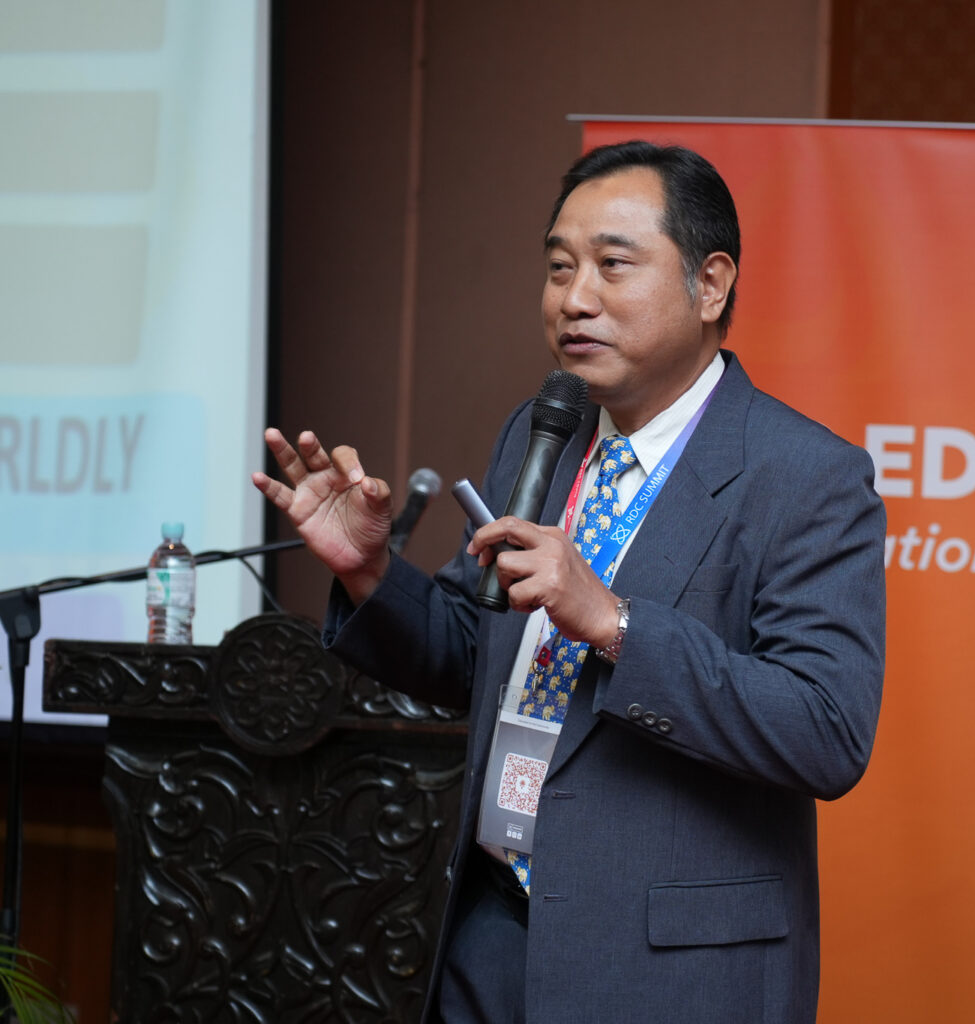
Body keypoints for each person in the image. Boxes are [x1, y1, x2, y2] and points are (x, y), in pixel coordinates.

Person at [253, 141, 885, 1023]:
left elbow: (825, 731)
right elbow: (477, 651)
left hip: (669, 969)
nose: (574, 299)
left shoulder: (805, 476)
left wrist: (616, 623)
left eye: (612, 265)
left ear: (710, 284)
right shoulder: (541, 432)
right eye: (559, 267)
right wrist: (370, 574)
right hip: (491, 935)